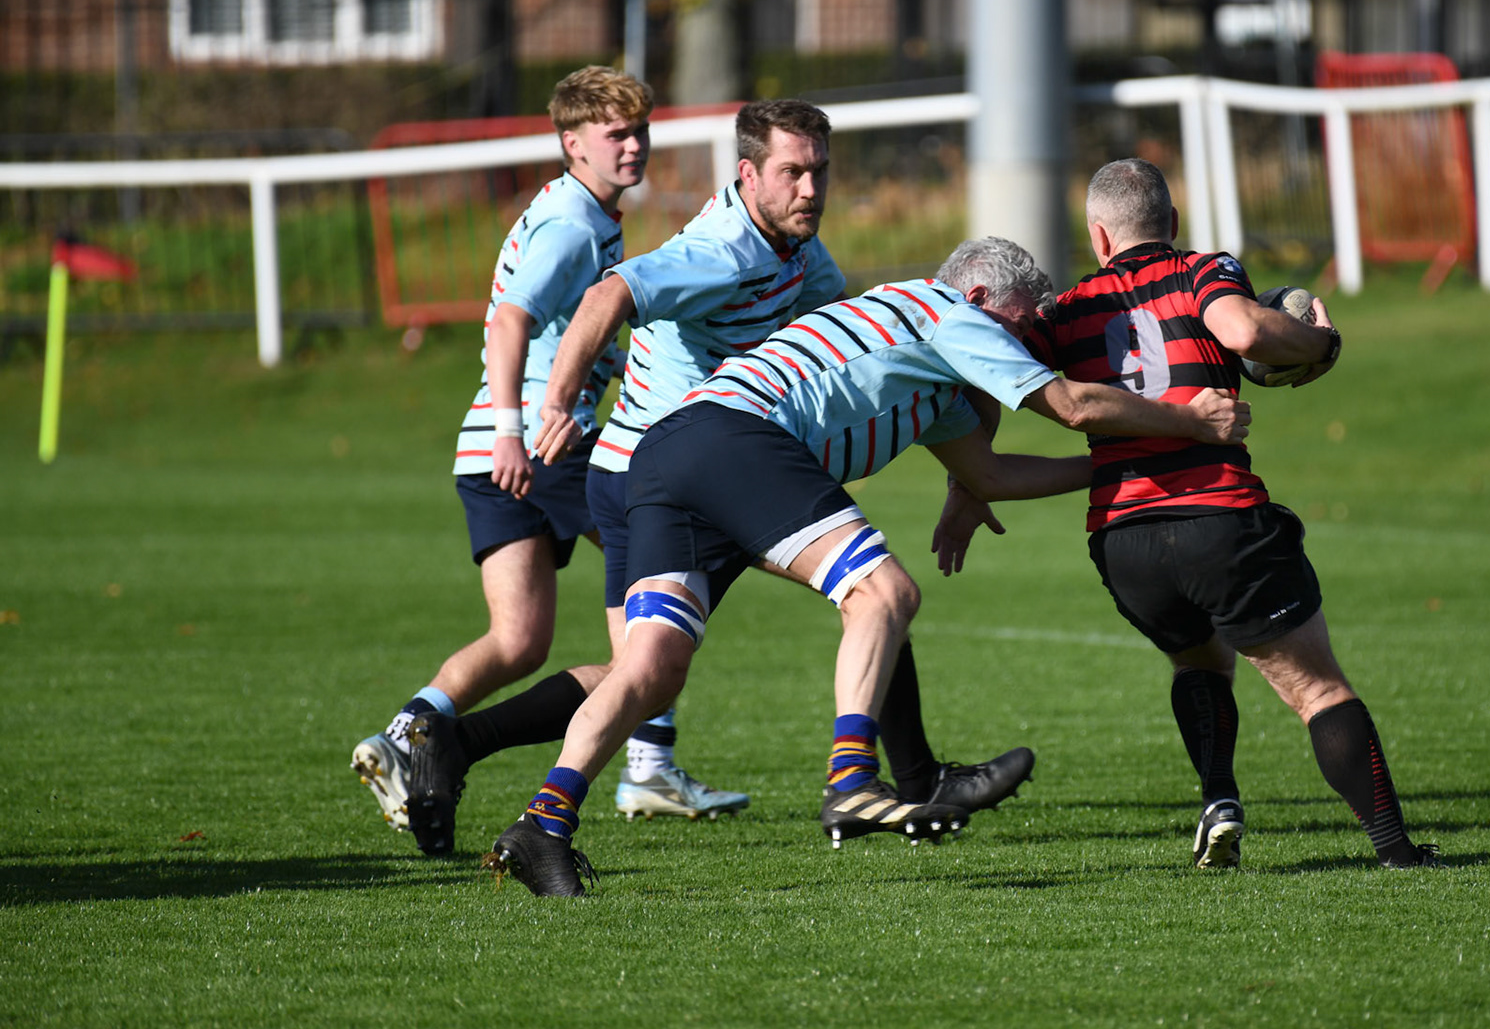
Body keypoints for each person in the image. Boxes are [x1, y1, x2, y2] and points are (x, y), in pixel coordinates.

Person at [480, 237, 1251, 896]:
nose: (1024, 345)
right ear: (982, 295)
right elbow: (1074, 406)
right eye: (1020, 327)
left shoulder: (931, 360)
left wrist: (1115, 472)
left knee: (650, 667)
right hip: (729, 436)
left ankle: (541, 826)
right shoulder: (950, 312)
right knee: (884, 590)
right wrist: (1186, 424)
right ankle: (851, 782)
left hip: (672, 453)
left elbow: (990, 476)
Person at [400, 102, 1034, 856]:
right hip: (675, 462)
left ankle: (458, 745)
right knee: (868, 588)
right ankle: (896, 778)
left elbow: (860, 343)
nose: (810, 188)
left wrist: (966, 461)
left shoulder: (795, 249)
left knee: (649, 670)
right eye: (793, 172)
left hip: (698, 459)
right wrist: (557, 404)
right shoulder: (724, 249)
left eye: (819, 171)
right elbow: (609, 297)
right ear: (748, 174)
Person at [954, 157, 1440, 872]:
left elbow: (988, 374)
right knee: (1317, 689)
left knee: (1198, 658)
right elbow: (1244, 333)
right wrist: (1321, 343)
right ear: (1172, 226)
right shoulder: (1202, 271)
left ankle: (1219, 797)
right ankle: (1398, 852)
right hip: (1218, 520)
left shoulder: (1065, 311)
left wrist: (967, 488)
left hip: (1124, 544)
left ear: (1099, 236)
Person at [350, 66, 743, 851]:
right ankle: (649, 766)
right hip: (545, 445)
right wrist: (514, 430)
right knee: (665, 589)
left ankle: (406, 735)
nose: (633, 146)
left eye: (640, 131)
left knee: (518, 641)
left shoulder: (575, 209)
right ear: (573, 144)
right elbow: (509, 322)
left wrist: (500, 434)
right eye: (616, 135)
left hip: (494, 447)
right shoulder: (571, 225)